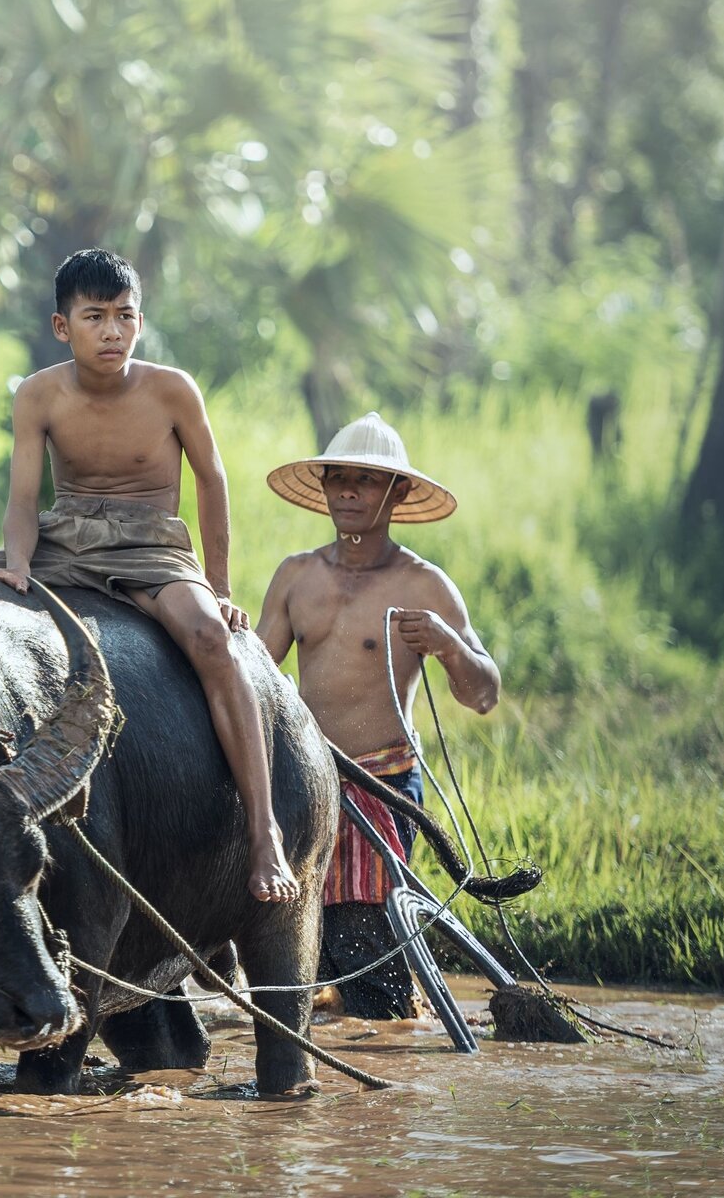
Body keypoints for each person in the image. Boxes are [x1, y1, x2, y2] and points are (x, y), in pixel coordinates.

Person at [0, 248, 300, 904]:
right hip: (64, 538)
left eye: (124, 316)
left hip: (149, 545)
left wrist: (219, 586)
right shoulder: (39, 393)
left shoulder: (171, 389)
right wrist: (15, 563)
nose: (112, 331)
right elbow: (22, 500)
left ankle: (264, 831)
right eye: (94, 317)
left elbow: (212, 481)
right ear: (62, 327)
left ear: (141, 321)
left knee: (212, 641)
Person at [254, 412, 500, 1016]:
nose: (347, 492)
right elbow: (256, 676)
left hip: (382, 784)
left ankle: (387, 1035)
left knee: (365, 939)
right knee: (293, 938)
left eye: (365, 480)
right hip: (305, 781)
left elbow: (485, 693)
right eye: (338, 478)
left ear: (399, 493)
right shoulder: (297, 576)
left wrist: (446, 643)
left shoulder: (423, 584)